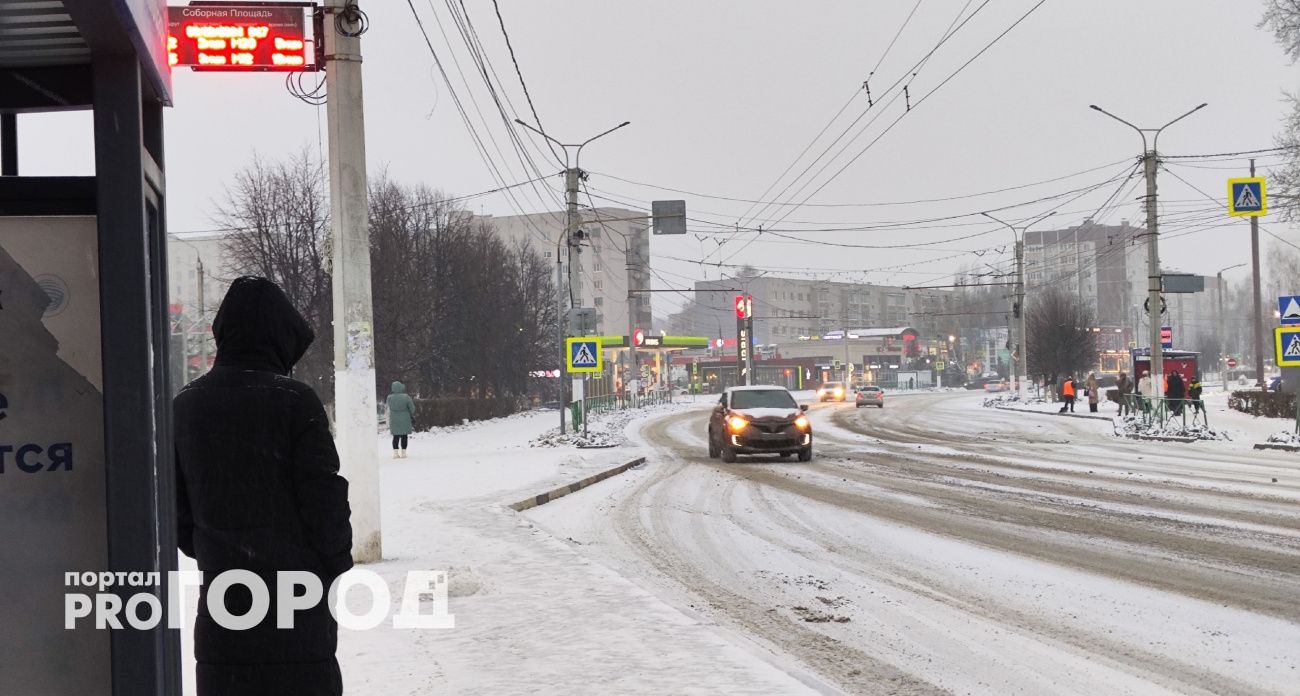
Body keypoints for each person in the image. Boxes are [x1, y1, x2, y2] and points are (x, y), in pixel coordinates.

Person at [174, 277, 353, 696]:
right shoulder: (295, 402)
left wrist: (219, 551)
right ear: (279, 338)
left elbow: (179, 516)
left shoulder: (185, 406)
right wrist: (331, 563)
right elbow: (324, 498)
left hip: (225, 603)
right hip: (297, 602)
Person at [387, 381, 416, 458]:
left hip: (394, 419)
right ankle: (403, 453)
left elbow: (388, 407)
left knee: (395, 436)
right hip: (405, 418)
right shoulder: (406, 397)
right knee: (404, 436)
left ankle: (395, 453)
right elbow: (412, 409)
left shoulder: (389, 398)